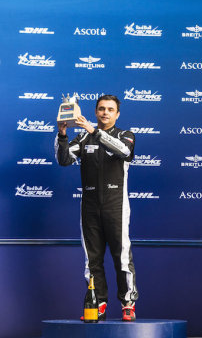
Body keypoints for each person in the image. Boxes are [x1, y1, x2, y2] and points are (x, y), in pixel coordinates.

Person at [55, 95, 138, 322]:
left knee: (121, 257)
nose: (105, 113)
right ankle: (97, 302)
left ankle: (128, 304)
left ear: (117, 114)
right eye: (101, 109)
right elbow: (64, 160)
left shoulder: (126, 135)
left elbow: (125, 152)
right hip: (89, 206)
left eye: (110, 109)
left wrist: (94, 132)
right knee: (92, 260)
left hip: (116, 206)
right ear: (95, 111)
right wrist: (62, 135)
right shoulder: (82, 138)